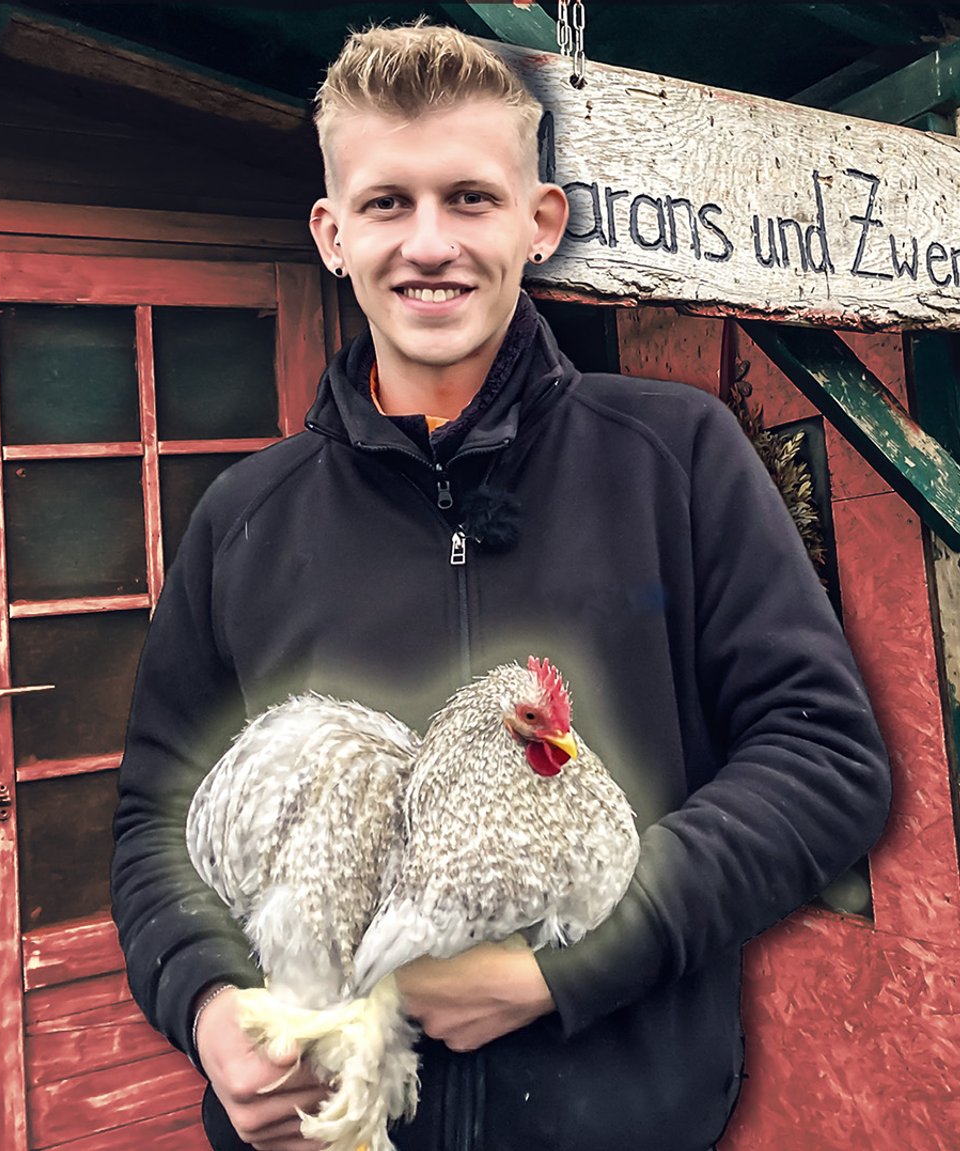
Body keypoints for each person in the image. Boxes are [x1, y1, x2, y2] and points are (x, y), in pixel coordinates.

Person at [111, 22, 892, 1151]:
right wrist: (203, 1000)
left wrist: (562, 965)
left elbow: (826, 759)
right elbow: (150, 817)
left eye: (469, 198)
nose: (427, 243)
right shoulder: (243, 516)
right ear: (330, 234)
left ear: (540, 222)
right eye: (386, 203)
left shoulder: (676, 455)